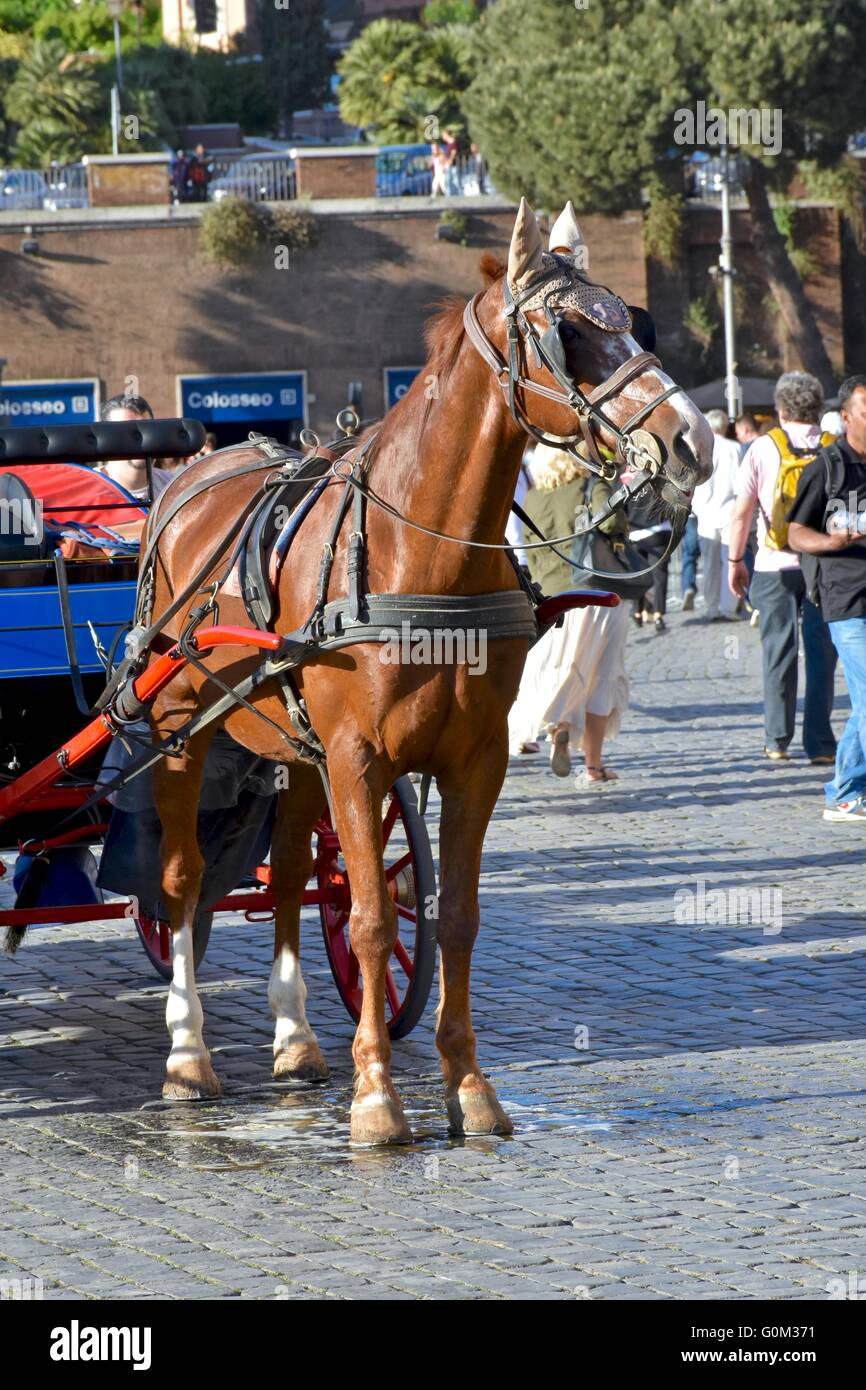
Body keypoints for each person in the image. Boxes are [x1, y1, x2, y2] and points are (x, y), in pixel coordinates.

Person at [728, 372, 838, 763]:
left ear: (780, 408)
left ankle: (777, 740)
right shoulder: (834, 446)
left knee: (778, 650)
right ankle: (822, 745)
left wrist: (735, 560)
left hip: (774, 562)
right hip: (824, 562)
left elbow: (741, 514)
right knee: (822, 653)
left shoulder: (762, 447)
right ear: (818, 406)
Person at [508, 444, 630, 784]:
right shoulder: (590, 487)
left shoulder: (533, 498)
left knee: (565, 666)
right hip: (597, 592)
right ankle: (593, 766)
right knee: (602, 677)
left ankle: (557, 726)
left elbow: (527, 550)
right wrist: (607, 483)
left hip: (554, 598)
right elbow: (614, 522)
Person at [788, 375, 866, 818]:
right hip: (846, 598)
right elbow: (795, 532)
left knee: (862, 701)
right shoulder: (827, 466)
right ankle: (847, 790)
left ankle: (844, 789)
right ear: (847, 416)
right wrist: (830, 543)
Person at [691, 410, 740, 621]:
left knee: (709, 563)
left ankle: (712, 606)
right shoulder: (735, 448)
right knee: (730, 559)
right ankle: (729, 605)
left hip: (706, 512)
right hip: (730, 510)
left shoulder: (700, 448)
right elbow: (741, 483)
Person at [95, 393, 175, 502]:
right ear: (104, 437)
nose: (140, 437)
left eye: (147, 428)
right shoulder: (89, 488)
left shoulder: (174, 485)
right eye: (126, 430)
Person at [627, 489, 671, 631]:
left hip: (635, 532)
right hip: (660, 528)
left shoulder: (623, 478)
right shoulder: (659, 473)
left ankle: (637, 612)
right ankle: (658, 615)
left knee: (638, 575)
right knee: (660, 576)